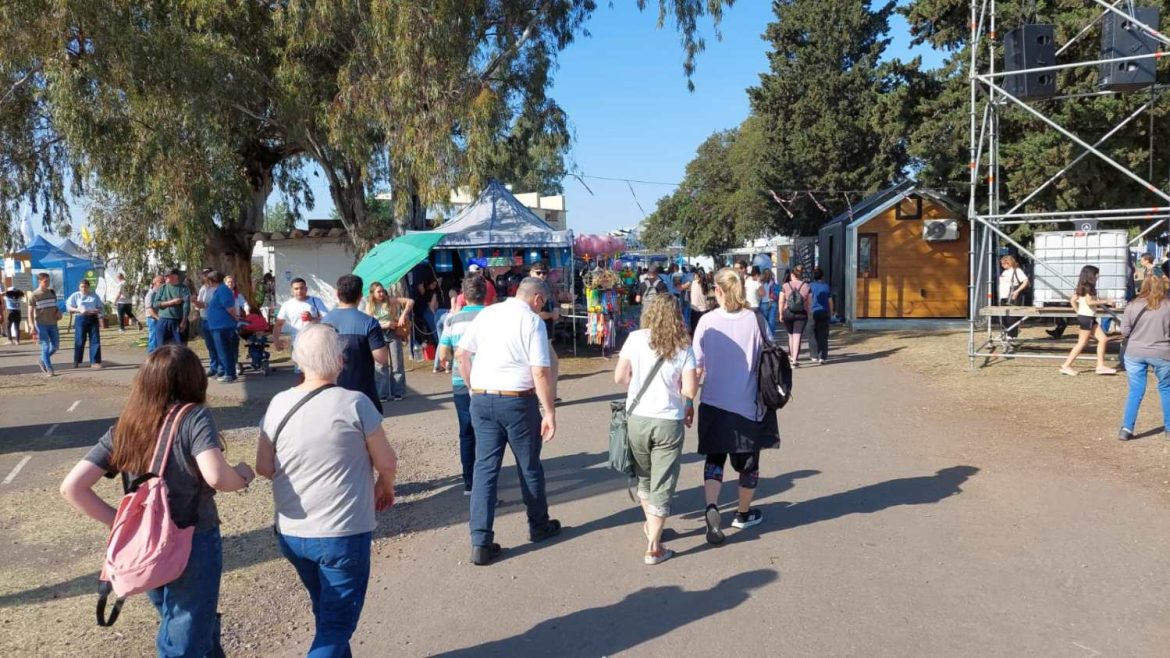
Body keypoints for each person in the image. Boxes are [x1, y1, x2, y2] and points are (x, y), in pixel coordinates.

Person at [59, 345, 255, 658]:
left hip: (147, 543)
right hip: (193, 539)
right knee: (184, 634)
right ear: (194, 380)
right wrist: (243, 475)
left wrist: (120, 522)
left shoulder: (126, 426)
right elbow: (216, 476)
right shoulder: (193, 417)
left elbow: (72, 487)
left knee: (181, 621)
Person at [255, 324, 397, 657]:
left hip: (292, 532)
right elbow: (387, 461)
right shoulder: (355, 403)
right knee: (336, 626)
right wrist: (383, 485)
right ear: (339, 360)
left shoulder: (278, 403)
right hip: (342, 533)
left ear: (297, 361)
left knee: (327, 613)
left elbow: (264, 467)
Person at [455, 277, 561, 566]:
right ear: (538, 299)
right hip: (516, 399)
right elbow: (540, 370)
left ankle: (480, 540)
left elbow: (462, 354)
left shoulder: (488, 312)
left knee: (485, 470)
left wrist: (472, 386)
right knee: (528, 465)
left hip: (482, 397)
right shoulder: (532, 322)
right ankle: (538, 524)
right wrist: (549, 410)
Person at [693, 267, 781, 545]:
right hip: (747, 404)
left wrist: (687, 400)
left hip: (713, 402)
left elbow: (696, 366)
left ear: (718, 290)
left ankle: (711, 506)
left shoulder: (706, 322)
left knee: (714, 459)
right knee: (748, 465)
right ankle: (743, 514)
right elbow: (770, 353)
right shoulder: (755, 320)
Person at [613, 294, 698, 565]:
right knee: (664, 482)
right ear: (677, 314)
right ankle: (653, 546)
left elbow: (620, 377)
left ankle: (652, 526)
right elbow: (689, 390)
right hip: (668, 420)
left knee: (645, 477)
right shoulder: (684, 345)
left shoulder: (635, 338)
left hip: (637, 417)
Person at [439, 275, 488, 494]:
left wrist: (453, 358)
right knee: (489, 432)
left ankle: (469, 482)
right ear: (485, 294)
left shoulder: (452, 319)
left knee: (466, 432)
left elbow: (443, 354)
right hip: (489, 380)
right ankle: (486, 480)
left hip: (460, 381)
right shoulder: (491, 316)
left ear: (464, 296)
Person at [322, 274, 388, 413]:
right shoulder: (369, 323)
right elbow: (382, 358)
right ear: (360, 295)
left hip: (332, 393)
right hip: (363, 394)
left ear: (337, 293)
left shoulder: (324, 322)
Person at [1118, 275, 1170, 441]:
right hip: (1162, 353)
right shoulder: (1168, 306)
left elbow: (1124, 332)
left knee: (1136, 390)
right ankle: (1169, 428)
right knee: (1166, 389)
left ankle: (1126, 429)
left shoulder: (1132, 305)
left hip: (1134, 352)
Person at [1059, 265, 1116, 376]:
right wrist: (1105, 302)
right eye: (1096, 274)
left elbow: (1072, 300)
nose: (1098, 276)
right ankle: (1066, 365)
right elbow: (1089, 302)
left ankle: (1100, 366)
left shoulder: (1083, 286)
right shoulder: (1088, 288)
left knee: (1103, 339)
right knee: (1082, 343)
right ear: (1091, 275)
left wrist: (1078, 312)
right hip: (1087, 318)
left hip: (1087, 317)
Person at [365, 281, 414, 402]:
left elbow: (410, 301)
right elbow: (369, 322)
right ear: (372, 293)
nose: (382, 294)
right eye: (379, 292)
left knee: (397, 362)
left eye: (382, 291)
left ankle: (398, 392)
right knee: (381, 365)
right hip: (378, 335)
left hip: (393, 334)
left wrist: (403, 315)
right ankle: (382, 393)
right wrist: (384, 324)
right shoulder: (369, 305)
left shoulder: (389, 300)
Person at [529, 262, 561, 401]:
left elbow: (553, 303)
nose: (542, 275)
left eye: (544, 272)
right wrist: (551, 315)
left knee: (550, 365)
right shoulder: (530, 289)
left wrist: (556, 309)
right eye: (538, 272)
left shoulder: (545, 287)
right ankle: (544, 398)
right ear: (531, 272)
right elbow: (532, 313)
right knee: (544, 367)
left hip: (546, 332)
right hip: (536, 333)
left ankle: (549, 397)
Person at [273, 278, 330, 353]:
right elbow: (278, 325)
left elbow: (327, 321)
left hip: (316, 344)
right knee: (298, 365)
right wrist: (276, 341)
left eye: (301, 288)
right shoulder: (287, 305)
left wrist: (312, 318)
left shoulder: (316, 301)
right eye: (296, 289)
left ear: (306, 289)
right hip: (297, 345)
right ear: (292, 290)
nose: (299, 291)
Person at [203, 271, 240, 383]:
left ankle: (229, 374)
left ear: (212, 280)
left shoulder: (223, 290)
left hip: (223, 326)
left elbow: (230, 307)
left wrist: (235, 318)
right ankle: (227, 372)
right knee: (223, 350)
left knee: (224, 350)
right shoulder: (219, 290)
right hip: (218, 326)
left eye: (208, 280)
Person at [779, 264, 811, 367]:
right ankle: (795, 360)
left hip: (788, 312)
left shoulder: (785, 286)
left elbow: (781, 301)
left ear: (792, 275)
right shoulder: (806, 286)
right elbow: (808, 302)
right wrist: (807, 312)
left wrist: (780, 313)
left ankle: (792, 356)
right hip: (801, 313)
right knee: (797, 336)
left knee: (790, 335)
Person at [66, 279, 103, 369]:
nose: (84, 288)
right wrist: (78, 309)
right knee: (80, 340)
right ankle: (76, 361)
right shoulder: (76, 295)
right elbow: (69, 307)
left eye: (85, 287)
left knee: (95, 340)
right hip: (81, 318)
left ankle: (95, 362)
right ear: (79, 287)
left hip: (93, 318)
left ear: (88, 287)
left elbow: (100, 307)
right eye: (82, 287)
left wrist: (96, 310)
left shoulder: (94, 296)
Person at [28, 273, 60, 375]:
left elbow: (55, 306)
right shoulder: (34, 295)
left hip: (53, 323)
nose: (47, 283)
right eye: (45, 281)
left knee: (55, 347)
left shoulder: (52, 292)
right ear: (39, 281)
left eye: (48, 281)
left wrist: (58, 312)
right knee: (45, 346)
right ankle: (49, 369)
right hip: (41, 324)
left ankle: (42, 360)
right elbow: (30, 313)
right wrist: (32, 325)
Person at [153, 268, 192, 347]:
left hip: (178, 321)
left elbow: (186, 306)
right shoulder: (162, 288)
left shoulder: (184, 289)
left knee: (180, 347)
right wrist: (171, 302)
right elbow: (155, 304)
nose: (165, 278)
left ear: (175, 276)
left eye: (167, 276)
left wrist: (184, 322)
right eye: (165, 276)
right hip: (163, 320)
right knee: (162, 346)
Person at [998, 255, 1029, 340]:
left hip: (1012, 297)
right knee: (1004, 317)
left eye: (1003, 263)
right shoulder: (1004, 272)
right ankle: (1008, 333)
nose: (1002, 265)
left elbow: (1025, 281)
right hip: (1003, 297)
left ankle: (1012, 336)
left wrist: (1017, 291)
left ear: (1009, 262)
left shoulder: (1017, 270)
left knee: (1012, 317)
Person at [807, 267, 835, 364]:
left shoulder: (810, 286)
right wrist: (831, 313)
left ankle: (814, 355)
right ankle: (822, 356)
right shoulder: (826, 286)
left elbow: (809, 299)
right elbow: (830, 301)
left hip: (813, 311)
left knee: (812, 333)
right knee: (823, 334)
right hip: (824, 311)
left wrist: (808, 310)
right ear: (822, 276)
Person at [143, 275, 163, 353]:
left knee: (159, 338)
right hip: (153, 319)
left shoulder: (160, 293)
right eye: (161, 282)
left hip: (159, 318)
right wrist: (158, 318)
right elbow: (149, 309)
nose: (163, 284)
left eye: (163, 282)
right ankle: (152, 355)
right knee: (154, 338)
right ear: (154, 283)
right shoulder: (150, 294)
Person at [688, 266, 711, 334]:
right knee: (705, 331)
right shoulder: (707, 283)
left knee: (695, 331)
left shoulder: (693, 283)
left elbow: (680, 288)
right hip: (705, 310)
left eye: (695, 274)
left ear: (697, 275)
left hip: (695, 310)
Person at [758, 269, 777, 336]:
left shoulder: (761, 282)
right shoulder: (773, 281)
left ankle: (765, 336)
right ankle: (771, 336)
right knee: (772, 320)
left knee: (764, 321)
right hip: (773, 302)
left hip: (764, 303)